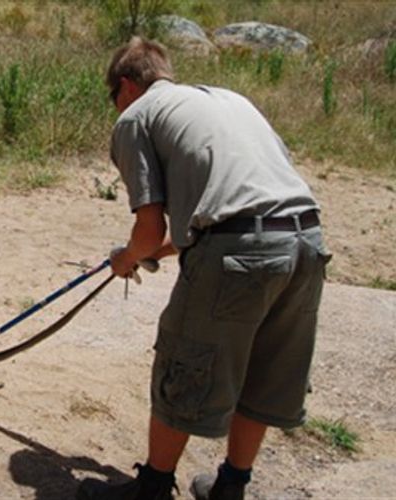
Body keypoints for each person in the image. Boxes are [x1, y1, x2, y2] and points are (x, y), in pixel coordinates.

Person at [77, 37, 331, 500]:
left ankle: (151, 488)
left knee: (186, 361)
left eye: (113, 98)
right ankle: (231, 485)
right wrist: (152, 252)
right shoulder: (230, 101)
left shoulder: (137, 117)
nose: (115, 108)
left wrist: (128, 258)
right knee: (263, 369)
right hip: (306, 242)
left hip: (240, 252)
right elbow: (243, 206)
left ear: (127, 86)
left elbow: (150, 231)